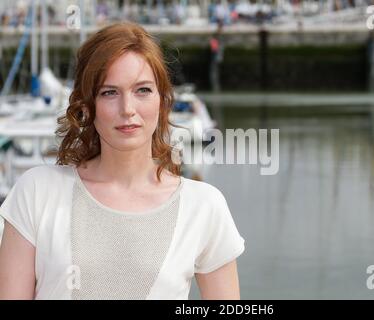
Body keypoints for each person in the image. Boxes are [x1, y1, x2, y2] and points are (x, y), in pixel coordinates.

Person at [0, 22, 245, 300]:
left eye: (142, 90)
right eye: (109, 92)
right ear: (87, 106)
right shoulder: (36, 192)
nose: (128, 109)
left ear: (162, 101)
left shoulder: (204, 206)